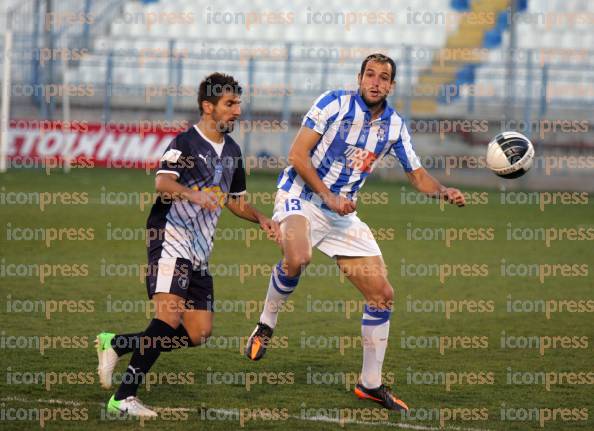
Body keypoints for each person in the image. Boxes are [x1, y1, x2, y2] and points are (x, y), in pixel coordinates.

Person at [245, 53, 466, 411]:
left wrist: (442, 191)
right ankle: (266, 323)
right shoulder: (332, 103)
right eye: (370, 75)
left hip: (341, 213)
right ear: (359, 78)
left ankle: (370, 384)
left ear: (391, 86)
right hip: (301, 196)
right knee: (298, 257)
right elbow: (297, 155)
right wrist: (328, 196)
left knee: (383, 294)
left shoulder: (394, 126)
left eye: (383, 77)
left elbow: (417, 174)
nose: (375, 82)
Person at [96, 73, 279, 417]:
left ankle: (118, 343)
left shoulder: (234, 152)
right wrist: (193, 193)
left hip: (199, 252)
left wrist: (262, 219)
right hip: (170, 238)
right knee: (167, 318)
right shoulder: (184, 143)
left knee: (198, 332)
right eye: (230, 104)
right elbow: (163, 183)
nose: (237, 110)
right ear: (207, 107)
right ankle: (123, 398)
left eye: (238, 103)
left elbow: (235, 202)